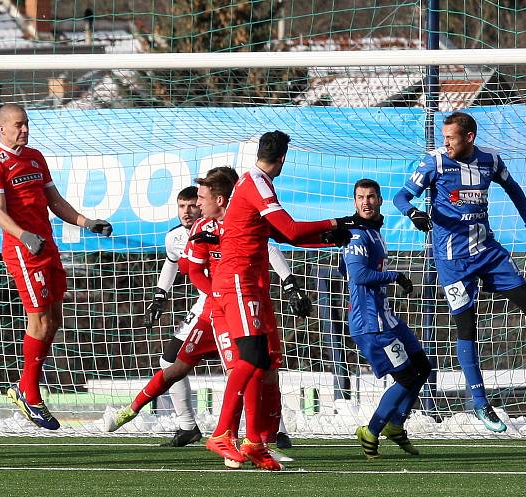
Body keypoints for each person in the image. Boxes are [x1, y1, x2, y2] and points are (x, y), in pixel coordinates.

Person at [393, 111, 526, 433]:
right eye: (444, 137)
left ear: (469, 137)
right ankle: (480, 402)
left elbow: (516, 190)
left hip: (487, 251)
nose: (446, 143)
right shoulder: (435, 163)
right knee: (467, 327)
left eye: (451, 137)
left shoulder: (490, 161)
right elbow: (400, 196)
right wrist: (412, 212)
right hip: (453, 261)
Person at [105, 168, 309, 458]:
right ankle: (138, 411)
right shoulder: (193, 231)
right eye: (186, 204)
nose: (192, 208)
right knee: (179, 364)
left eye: (198, 200)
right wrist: (161, 297)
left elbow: (274, 248)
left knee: (255, 368)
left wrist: (289, 283)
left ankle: (262, 437)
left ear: (222, 199)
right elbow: (187, 268)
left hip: (239, 305)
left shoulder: (244, 223)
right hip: (213, 309)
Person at [206, 131, 355, 470]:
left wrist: (328, 239)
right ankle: (220, 434)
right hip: (238, 282)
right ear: (284, 159)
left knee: (264, 363)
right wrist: (339, 221)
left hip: (253, 285)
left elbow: (274, 234)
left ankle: (255, 442)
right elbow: (288, 229)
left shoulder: (258, 184)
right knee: (253, 358)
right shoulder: (256, 183)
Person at [0, 103, 112, 430]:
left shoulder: (36, 157)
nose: (24, 130)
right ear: (2, 128)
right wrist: (24, 236)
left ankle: (26, 388)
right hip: (23, 250)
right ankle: (30, 393)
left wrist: (86, 222)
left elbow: (55, 201)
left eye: (26, 124)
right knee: (38, 318)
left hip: (47, 246)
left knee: (54, 318)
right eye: (18, 125)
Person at [339, 179, 432, 459]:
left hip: (387, 318)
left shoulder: (374, 232)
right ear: (354, 202)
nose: (365, 202)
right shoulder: (356, 235)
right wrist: (396, 276)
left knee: (423, 368)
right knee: (405, 378)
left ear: (379, 200)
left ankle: (396, 424)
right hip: (371, 325)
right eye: (360, 197)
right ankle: (371, 430)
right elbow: (358, 275)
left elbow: (346, 270)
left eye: (370, 197)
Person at [142, 186, 205, 446]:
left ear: (202, 206)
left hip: (226, 302)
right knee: (169, 360)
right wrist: (159, 296)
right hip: (206, 304)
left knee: (247, 365)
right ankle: (187, 426)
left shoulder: (217, 230)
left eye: (192, 205)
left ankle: (274, 430)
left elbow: (267, 249)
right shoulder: (175, 237)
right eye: (181, 206)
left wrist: (289, 281)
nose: (186, 212)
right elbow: (171, 263)